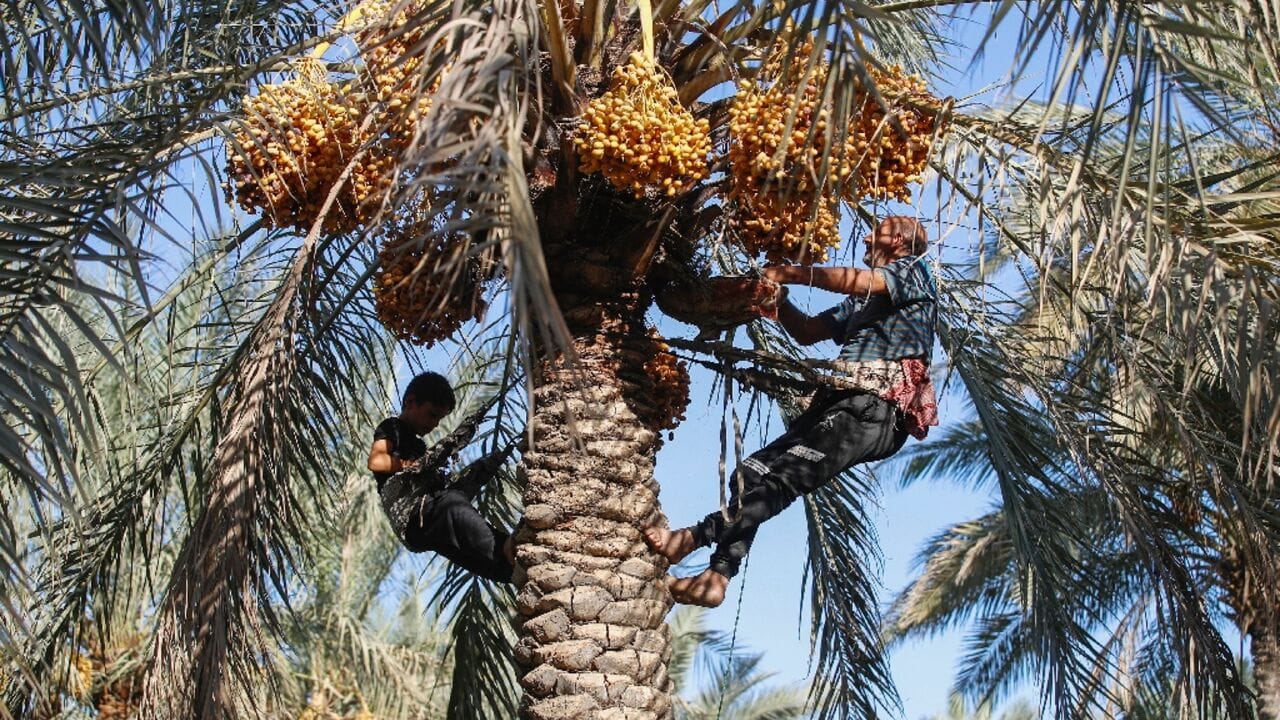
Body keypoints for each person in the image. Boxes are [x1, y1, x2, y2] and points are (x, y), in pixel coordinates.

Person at [644, 216, 940, 606]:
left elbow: (865, 280)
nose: (866, 236)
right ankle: (716, 577)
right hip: (841, 402)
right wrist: (775, 298)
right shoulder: (861, 301)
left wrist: (792, 272)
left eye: (877, 230)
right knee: (750, 474)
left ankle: (693, 538)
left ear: (899, 240)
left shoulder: (916, 271)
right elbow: (807, 331)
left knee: (782, 481)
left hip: (875, 410)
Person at [367, 371, 515, 582]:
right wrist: (413, 466)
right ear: (411, 402)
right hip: (412, 516)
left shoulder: (419, 446)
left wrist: (433, 473)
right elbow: (376, 461)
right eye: (432, 414)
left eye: (440, 418)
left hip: (428, 522)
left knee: (465, 547)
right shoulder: (392, 427)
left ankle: (512, 570)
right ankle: (506, 547)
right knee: (452, 504)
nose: (435, 424)